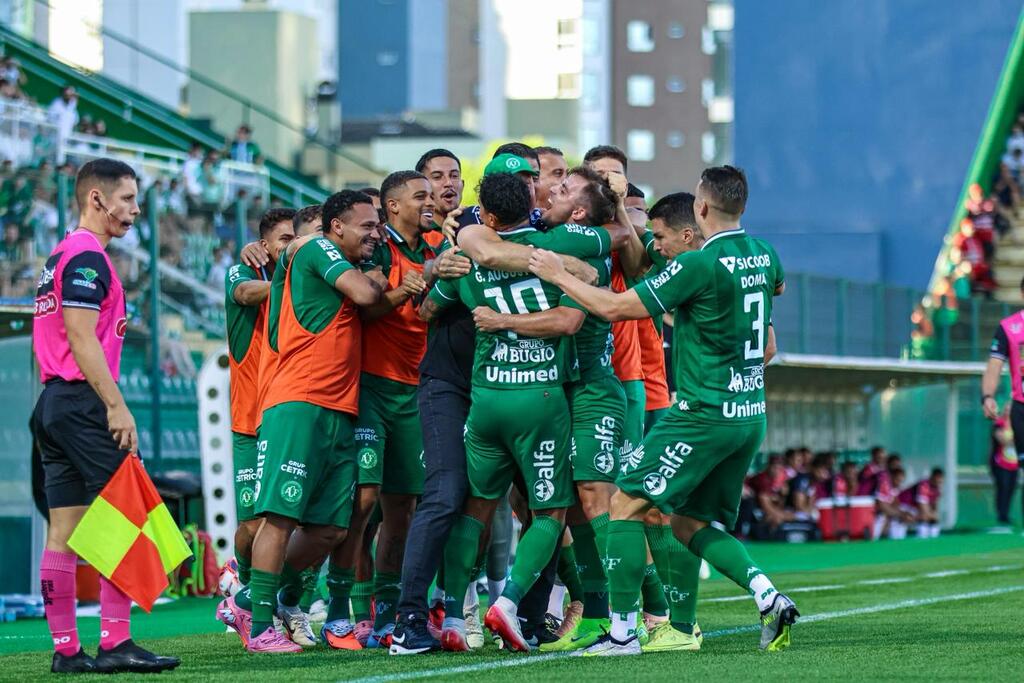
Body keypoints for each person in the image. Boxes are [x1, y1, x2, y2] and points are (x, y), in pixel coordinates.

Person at [528, 165, 797, 655]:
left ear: (701, 209)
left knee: (624, 505)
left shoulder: (697, 265)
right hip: (748, 413)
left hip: (702, 413)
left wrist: (554, 272)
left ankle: (623, 633)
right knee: (689, 524)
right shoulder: (764, 255)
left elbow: (613, 308)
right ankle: (767, 596)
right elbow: (772, 307)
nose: (660, 244)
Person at [420, 171, 584, 653]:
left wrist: (442, 273)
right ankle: (508, 603)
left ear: (487, 215)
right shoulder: (550, 254)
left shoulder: (469, 258)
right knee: (550, 509)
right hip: (539, 399)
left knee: (477, 506)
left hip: (486, 399)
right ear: (531, 205)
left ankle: (453, 614)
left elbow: (429, 309)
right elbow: (566, 321)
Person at [30, 158, 179, 673]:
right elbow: (79, 335)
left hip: (53, 401)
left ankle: (67, 652)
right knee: (128, 516)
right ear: (97, 199)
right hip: (82, 402)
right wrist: (115, 405)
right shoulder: (88, 257)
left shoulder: (58, 256)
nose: (136, 211)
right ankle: (116, 643)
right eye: (128, 199)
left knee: (63, 530)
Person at [244, 190, 385, 654]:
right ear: (336, 226)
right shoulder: (315, 247)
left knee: (331, 527)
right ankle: (261, 624)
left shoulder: (330, 260)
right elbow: (366, 293)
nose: (375, 232)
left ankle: (261, 596)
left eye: (378, 223)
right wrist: (379, 276)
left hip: (339, 408)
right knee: (281, 516)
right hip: (299, 400)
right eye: (366, 225)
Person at [327, 171, 436, 650]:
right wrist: (413, 287)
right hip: (371, 387)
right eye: (421, 196)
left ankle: (387, 617)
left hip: (416, 393)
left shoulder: (434, 250)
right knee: (363, 501)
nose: (430, 201)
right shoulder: (379, 250)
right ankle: (337, 612)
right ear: (393, 206)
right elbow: (368, 308)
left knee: (403, 511)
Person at [221, 207, 296, 616]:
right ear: (265, 246)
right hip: (249, 418)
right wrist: (291, 279)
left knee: (291, 518)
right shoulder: (243, 272)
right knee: (252, 524)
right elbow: (244, 293)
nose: (291, 248)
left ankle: (281, 598)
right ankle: (243, 576)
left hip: (288, 415)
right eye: (283, 241)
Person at [895, 468, 944, 538]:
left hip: (913, 508)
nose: (939, 481)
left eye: (941, 479)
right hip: (902, 505)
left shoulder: (937, 489)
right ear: (932, 477)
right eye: (937, 478)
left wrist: (934, 514)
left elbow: (934, 506)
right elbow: (923, 507)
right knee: (924, 516)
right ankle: (921, 539)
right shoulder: (924, 485)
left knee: (931, 519)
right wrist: (931, 515)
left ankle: (932, 540)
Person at [989, 410, 1018, 527]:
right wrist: (1016, 440)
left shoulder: (1017, 423)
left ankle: (1006, 514)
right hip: (1000, 463)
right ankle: (1001, 514)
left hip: (1014, 463)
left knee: (1011, 488)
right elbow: (1002, 440)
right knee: (1003, 487)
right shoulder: (999, 423)